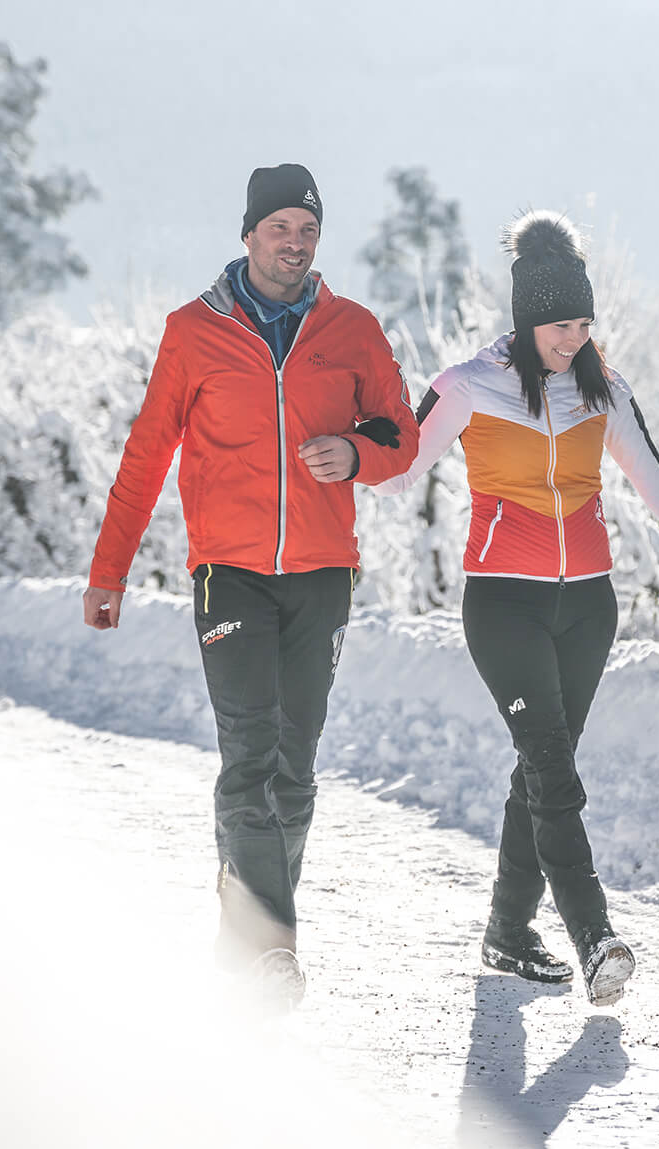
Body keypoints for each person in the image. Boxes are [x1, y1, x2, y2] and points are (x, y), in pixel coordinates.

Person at [376, 211, 659, 1007]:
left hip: (588, 608)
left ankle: (508, 929)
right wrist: (350, 441)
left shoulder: (602, 389)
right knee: (553, 767)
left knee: (543, 763)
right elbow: (397, 467)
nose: (577, 337)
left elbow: (658, 485)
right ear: (528, 319)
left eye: (586, 323)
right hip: (504, 605)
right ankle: (595, 937)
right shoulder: (469, 385)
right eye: (563, 325)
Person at [82, 163, 419, 1008]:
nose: (295, 245)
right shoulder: (192, 331)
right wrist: (109, 569)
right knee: (249, 754)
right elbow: (146, 453)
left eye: (307, 231)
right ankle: (274, 947)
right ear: (248, 235)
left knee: (295, 767)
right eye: (280, 230)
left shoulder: (352, 329)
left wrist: (355, 454)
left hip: (320, 576)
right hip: (228, 574)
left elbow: (402, 437)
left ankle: (247, 923)